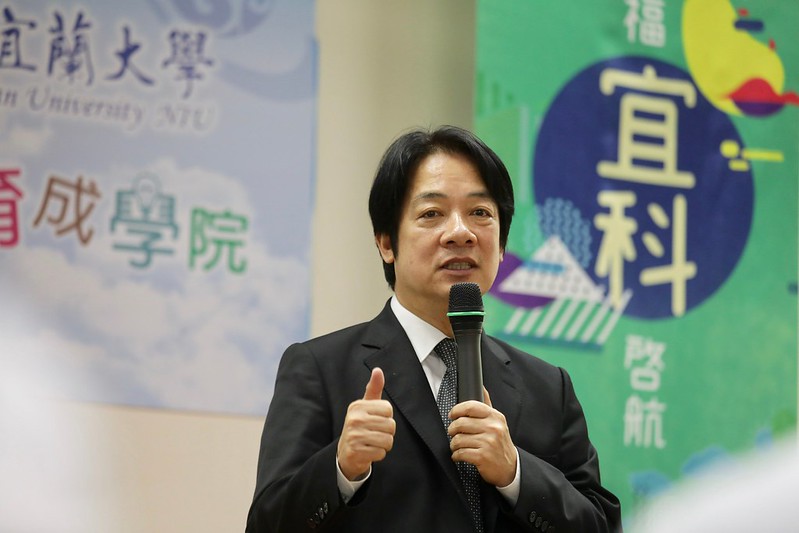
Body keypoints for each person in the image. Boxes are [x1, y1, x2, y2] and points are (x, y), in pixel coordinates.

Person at [246, 125, 622, 532]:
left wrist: (516, 472)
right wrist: (340, 467)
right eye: (431, 214)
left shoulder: (549, 388)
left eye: (480, 213)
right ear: (386, 243)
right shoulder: (320, 369)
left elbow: (601, 525)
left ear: (501, 245)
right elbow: (266, 524)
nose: (460, 232)